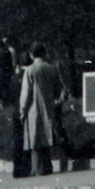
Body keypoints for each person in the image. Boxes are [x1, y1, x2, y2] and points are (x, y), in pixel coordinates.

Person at [19, 45, 64, 176]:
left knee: (34, 140)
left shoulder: (30, 70)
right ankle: (47, 167)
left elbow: (26, 93)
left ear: (32, 55)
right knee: (46, 136)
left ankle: (37, 169)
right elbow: (60, 90)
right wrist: (57, 102)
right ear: (44, 53)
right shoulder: (52, 68)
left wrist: (22, 111)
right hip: (48, 107)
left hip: (33, 108)